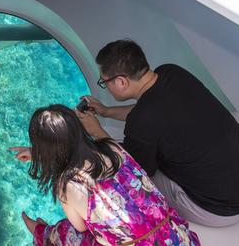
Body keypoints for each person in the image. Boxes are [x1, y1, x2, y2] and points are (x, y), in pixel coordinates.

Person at [80, 39, 239, 227]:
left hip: (220, 208)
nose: (105, 86)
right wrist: (107, 111)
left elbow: (134, 172)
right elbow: (147, 110)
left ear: (121, 81)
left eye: (104, 82)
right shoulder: (172, 72)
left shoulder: (142, 121)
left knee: (128, 181)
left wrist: (98, 132)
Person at [11, 105, 199, 246]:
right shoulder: (111, 147)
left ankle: (39, 233)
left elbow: (81, 228)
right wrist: (39, 154)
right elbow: (83, 158)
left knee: (66, 232)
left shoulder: (69, 184)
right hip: (176, 237)